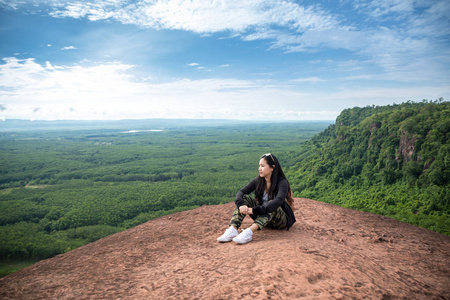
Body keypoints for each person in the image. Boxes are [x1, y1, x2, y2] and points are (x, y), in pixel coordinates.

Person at [217, 153, 296, 244]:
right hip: (263, 218)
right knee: (245, 198)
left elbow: (278, 201)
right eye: (259, 166)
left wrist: (254, 210)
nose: (259, 169)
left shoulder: (282, 182)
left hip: (279, 221)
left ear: (272, 168)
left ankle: (249, 232)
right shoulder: (259, 180)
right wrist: (241, 205)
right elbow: (241, 192)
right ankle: (233, 229)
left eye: (262, 166)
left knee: (272, 204)